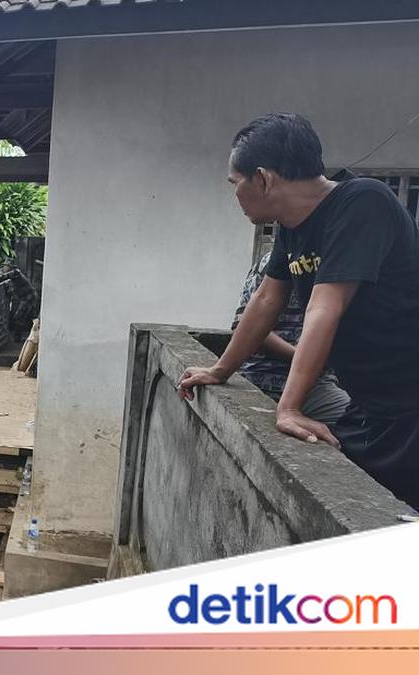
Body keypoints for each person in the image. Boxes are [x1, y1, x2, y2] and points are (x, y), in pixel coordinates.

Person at [178, 113, 419, 508]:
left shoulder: (364, 201)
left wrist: (288, 408)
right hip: (371, 406)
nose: (234, 194)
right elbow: (266, 300)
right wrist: (219, 370)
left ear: (264, 179)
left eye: (235, 183)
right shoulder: (293, 225)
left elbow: (325, 307)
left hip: (410, 407)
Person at [231, 252, 349, 425]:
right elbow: (243, 328)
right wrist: (302, 356)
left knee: (364, 425)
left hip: (316, 386)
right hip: (263, 377)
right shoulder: (271, 263)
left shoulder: (338, 265)